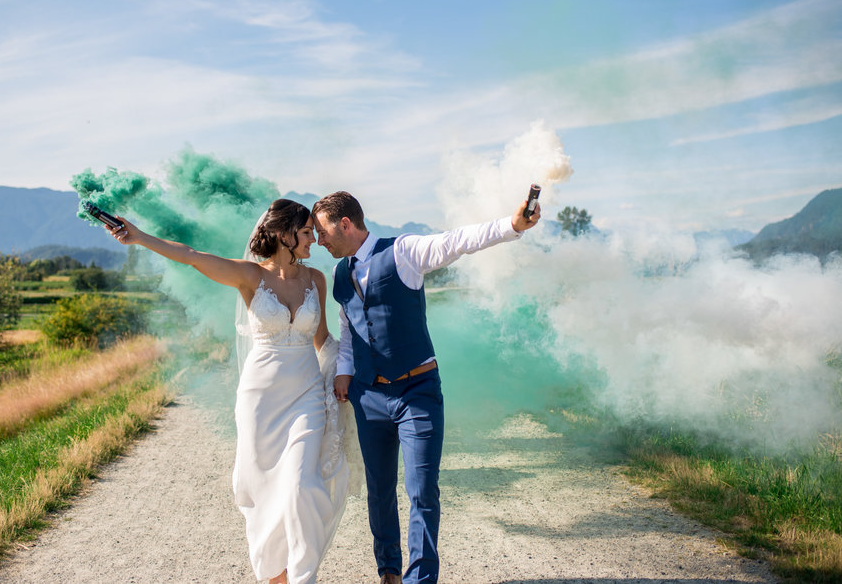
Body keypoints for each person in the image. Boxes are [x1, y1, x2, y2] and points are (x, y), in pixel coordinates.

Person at [107, 199, 348, 584]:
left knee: (302, 487)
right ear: (285, 235)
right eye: (305, 233)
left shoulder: (316, 280)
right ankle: (276, 576)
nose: (312, 241)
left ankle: (304, 578)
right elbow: (190, 257)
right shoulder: (250, 276)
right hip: (260, 401)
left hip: (306, 396)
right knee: (263, 493)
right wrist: (137, 237)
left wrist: (350, 368)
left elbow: (322, 340)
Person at [311, 191, 541, 584]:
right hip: (369, 398)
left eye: (322, 232)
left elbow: (457, 241)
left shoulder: (404, 252)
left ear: (344, 224)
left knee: (422, 491)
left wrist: (512, 226)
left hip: (416, 392)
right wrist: (344, 371)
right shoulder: (338, 273)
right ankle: (389, 572)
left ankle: (421, 580)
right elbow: (348, 327)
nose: (319, 241)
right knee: (379, 491)